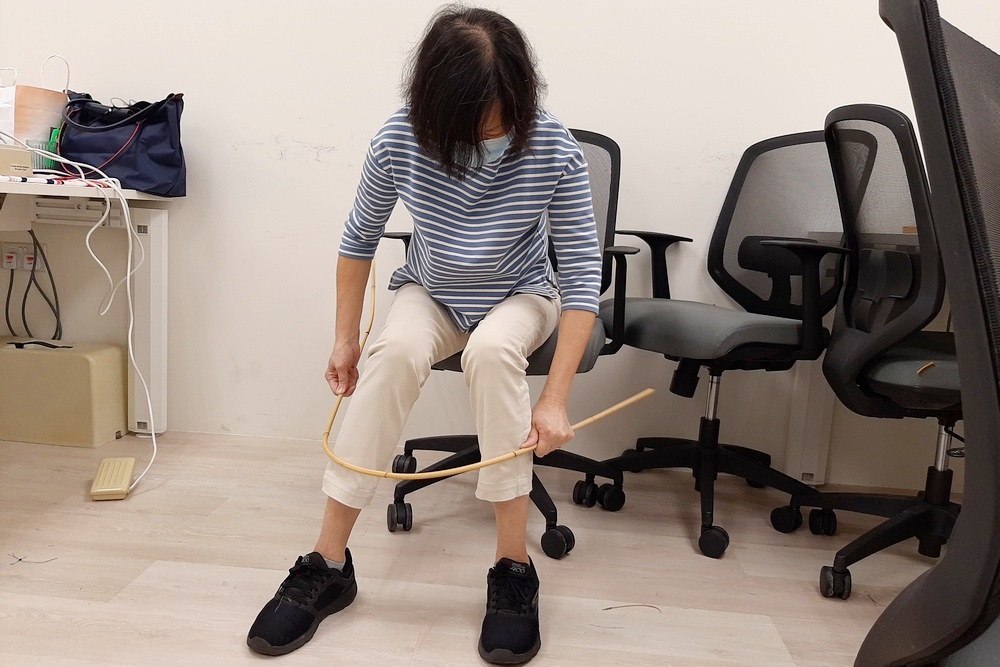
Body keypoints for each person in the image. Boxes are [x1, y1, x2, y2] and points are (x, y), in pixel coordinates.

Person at [247, 5, 602, 664]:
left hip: (523, 292)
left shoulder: (553, 145)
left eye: (502, 118)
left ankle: (512, 570)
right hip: (431, 289)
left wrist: (553, 400)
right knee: (392, 353)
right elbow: (357, 242)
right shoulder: (398, 139)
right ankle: (327, 563)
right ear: (435, 107)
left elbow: (582, 274)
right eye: (476, 126)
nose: (491, 138)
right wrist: (345, 337)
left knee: (495, 352)